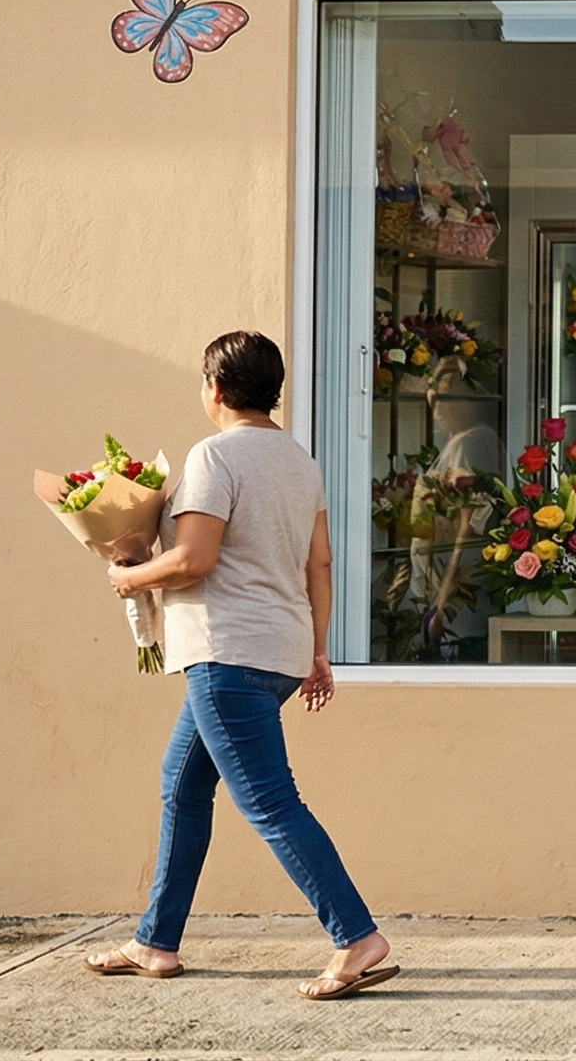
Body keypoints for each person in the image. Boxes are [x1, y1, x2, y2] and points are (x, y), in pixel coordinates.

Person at [86, 332, 398, 1001]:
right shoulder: (297, 460)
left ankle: (357, 937)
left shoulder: (214, 456)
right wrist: (316, 649)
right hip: (277, 651)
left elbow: (196, 558)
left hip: (228, 653)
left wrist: (130, 578)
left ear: (216, 390)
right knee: (182, 785)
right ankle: (156, 942)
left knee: (269, 801)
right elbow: (320, 563)